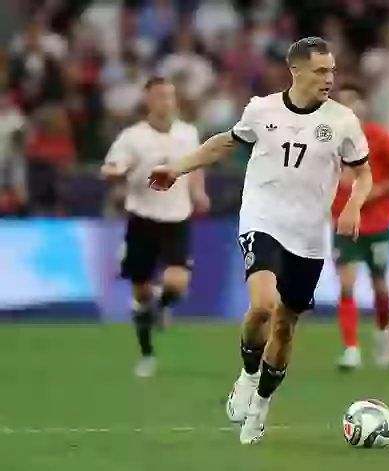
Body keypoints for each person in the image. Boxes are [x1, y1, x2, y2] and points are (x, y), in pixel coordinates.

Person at [148, 37, 372, 445]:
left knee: (284, 328)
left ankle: (261, 407)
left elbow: (364, 173)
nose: (329, 78)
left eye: (332, 71)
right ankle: (248, 376)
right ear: (296, 71)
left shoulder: (343, 121)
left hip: (309, 235)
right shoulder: (261, 109)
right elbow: (224, 142)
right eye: (321, 71)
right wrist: (177, 169)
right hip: (262, 219)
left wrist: (354, 205)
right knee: (263, 307)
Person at [101, 76, 210, 378]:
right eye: (160, 96)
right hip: (142, 219)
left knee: (177, 283)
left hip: (176, 217)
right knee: (141, 292)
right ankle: (147, 354)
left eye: (170, 96)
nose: (166, 101)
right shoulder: (132, 137)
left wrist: (199, 192)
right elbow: (109, 169)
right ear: (148, 100)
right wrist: (118, 173)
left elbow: (195, 166)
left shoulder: (188, 133)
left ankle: (161, 309)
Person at [331, 83, 389, 370]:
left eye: (352, 101)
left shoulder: (380, 137)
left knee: (379, 284)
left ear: (362, 106)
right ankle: (350, 349)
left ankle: (383, 334)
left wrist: (376, 191)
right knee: (346, 284)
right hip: (345, 222)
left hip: (378, 223)